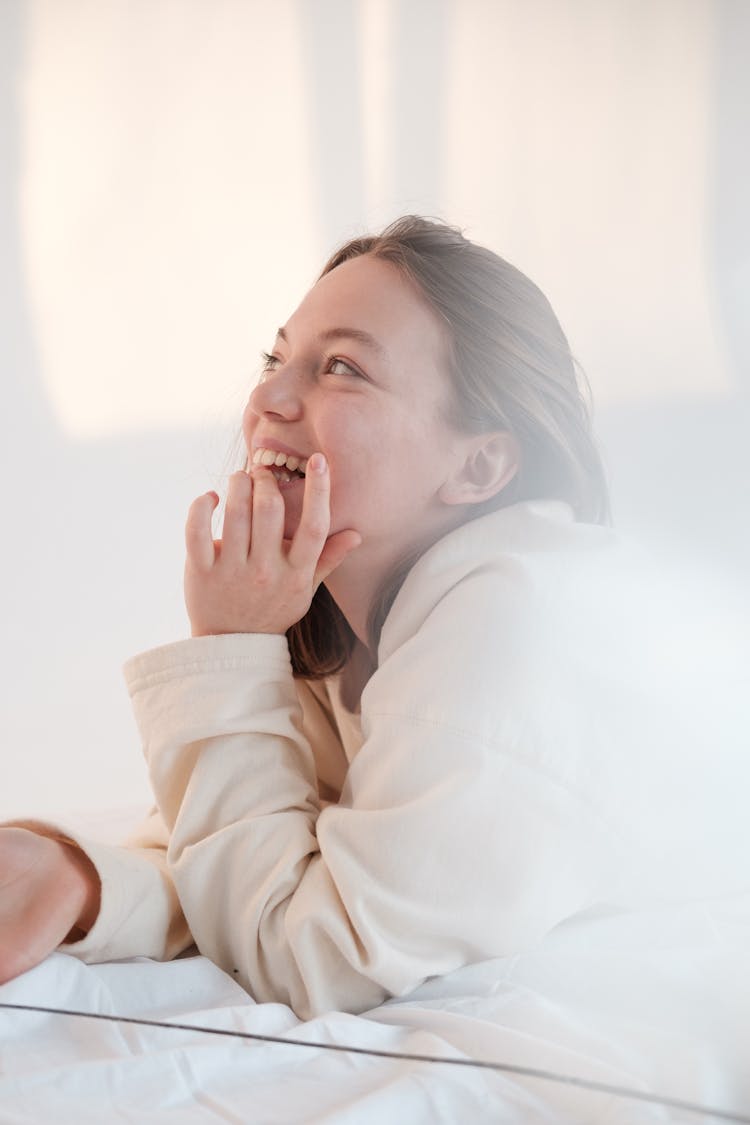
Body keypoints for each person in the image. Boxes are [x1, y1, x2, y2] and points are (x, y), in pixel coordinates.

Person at [0, 216, 741, 1020]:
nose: (265, 399)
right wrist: (80, 879)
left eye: (342, 368)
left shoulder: (515, 629)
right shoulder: (357, 626)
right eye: (276, 358)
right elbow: (256, 850)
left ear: (480, 463)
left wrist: (228, 648)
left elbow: (316, 954)